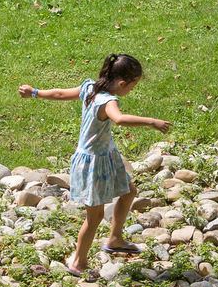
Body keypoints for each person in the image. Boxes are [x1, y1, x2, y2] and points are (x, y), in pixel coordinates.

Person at [17, 53, 170, 273]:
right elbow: (119, 118)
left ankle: (115, 238)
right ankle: (78, 262)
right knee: (95, 216)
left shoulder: (90, 88)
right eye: (132, 86)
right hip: (93, 164)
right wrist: (151, 122)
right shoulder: (108, 101)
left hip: (106, 156)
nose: (131, 91)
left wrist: (34, 92)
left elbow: (60, 94)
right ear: (122, 83)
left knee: (129, 192)